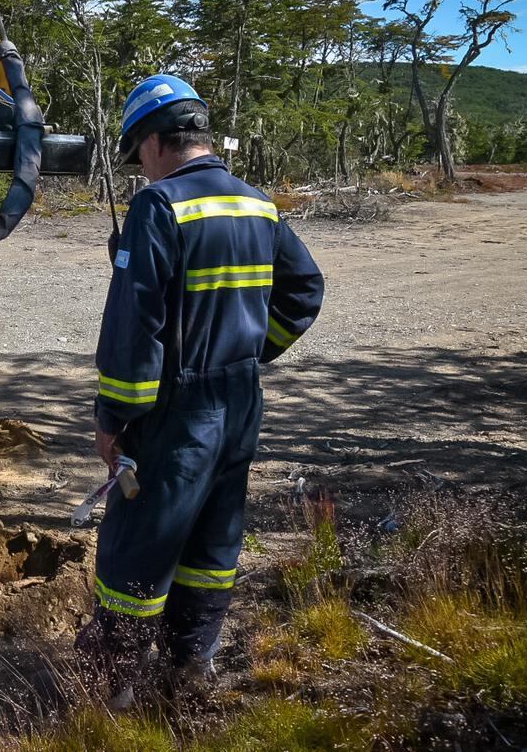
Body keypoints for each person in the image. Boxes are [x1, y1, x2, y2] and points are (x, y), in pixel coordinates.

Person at [78, 74, 324, 696]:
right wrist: (248, 353)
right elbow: (304, 291)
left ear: (158, 141)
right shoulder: (256, 202)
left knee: (138, 544)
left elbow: (137, 330)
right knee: (213, 542)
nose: (141, 167)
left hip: (178, 411)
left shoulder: (159, 207)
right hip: (239, 403)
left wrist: (113, 419)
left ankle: (115, 689)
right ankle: (192, 669)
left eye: (140, 152)